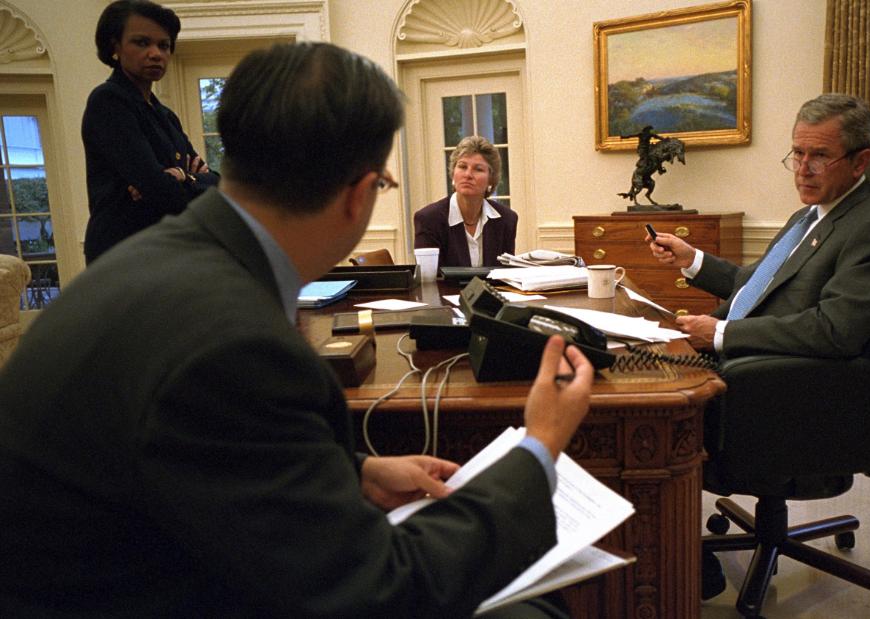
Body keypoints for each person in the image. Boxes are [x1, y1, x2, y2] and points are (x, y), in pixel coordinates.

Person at [0, 42, 594, 618]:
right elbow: (378, 591)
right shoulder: (236, 344)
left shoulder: (160, 257)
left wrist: (355, 470)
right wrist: (539, 447)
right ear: (359, 195)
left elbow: (207, 450)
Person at [646, 93, 870, 599]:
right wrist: (692, 259)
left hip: (788, 393)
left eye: (818, 156)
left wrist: (720, 333)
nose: (803, 169)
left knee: (654, 422)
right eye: (797, 153)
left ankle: (679, 562)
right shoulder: (810, 217)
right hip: (753, 365)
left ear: (860, 161)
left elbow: (836, 330)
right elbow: (757, 284)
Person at [81, 0, 220, 264]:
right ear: (115, 48)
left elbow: (216, 185)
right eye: (142, 43)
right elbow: (160, 191)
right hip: (123, 254)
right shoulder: (108, 101)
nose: (156, 53)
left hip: (168, 250)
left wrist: (182, 178)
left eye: (164, 45)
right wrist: (182, 178)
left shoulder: (165, 116)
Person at [414, 135, 518, 268]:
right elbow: (428, 280)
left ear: (491, 180)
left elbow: (506, 276)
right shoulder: (428, 219)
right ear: (453, 174)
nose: (468, 175)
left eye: (478, 169)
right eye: (462, 167)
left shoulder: (507, 219)